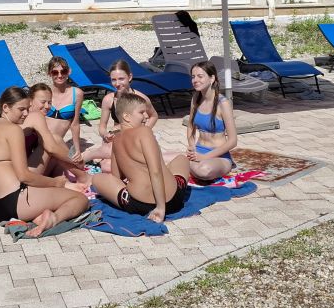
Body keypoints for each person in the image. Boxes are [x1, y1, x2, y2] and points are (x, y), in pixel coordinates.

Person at [0, 86, 88, 238]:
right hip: (15, 201)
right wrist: (57, 183)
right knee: (80, 199)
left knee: (47, 198)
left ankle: (39, 216)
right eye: (21, 109)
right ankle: (53, 219)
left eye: (27, 109)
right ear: (6, 107)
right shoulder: (13, 129)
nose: (26, 114)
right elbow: (24, 176)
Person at [91, 92, 193, 224]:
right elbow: (155, 171)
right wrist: (160, 208)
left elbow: (116, 178)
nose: (146, 116)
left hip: (136, 204)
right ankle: (163, 192)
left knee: (97, 178)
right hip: (172, 201)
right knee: (182, 159)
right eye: (141, 112)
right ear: (126, 116)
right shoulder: (144, 131)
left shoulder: (116, 140)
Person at [82, 60, 158, 174]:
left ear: (130, 77)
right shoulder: (109, 100)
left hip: (135, 139)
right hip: (116, 138)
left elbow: (154, 116)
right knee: (107, 167)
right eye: (113, 79)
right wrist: (105, 135)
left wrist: (144, 130)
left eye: (121, 79)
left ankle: (90, 155)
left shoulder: (141, 98)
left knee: (114, 163)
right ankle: (100, 156)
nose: (117, 83)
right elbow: (102, 126)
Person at [22, 83, 91, 184]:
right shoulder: (35, 116)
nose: (47, 106)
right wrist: (76, 162)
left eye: (50, 102)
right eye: (43, 102)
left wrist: (75, 153)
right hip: (24, 175)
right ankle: (82, 176)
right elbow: (51, 147)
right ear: (30, 101)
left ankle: (72, 176)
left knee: (56, 144)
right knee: (55, 140)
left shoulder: (25, 114)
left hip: (24, 169)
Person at [185, 62, 238, 182]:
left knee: (204, 170)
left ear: (212, 78)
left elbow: (233, 141)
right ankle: (187, 165)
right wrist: (192, 146)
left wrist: (204, 157)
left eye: (200, 76)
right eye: (193, 77)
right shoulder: (196, 98)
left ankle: (183, 165)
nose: (195, 80)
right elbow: (190, 125)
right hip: (198, 150)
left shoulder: (223, 103)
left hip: (218, 155)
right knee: (162, 157)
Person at [43, 56, 84, 162]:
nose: (60, 75)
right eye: (55, 72)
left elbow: (75, 124)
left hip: (57, 143)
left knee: (77, 164)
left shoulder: (77, 93)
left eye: (63, 71)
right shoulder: (44, 92)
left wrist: (77, 149)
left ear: (69, 71)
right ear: (49, 73)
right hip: (41, 140)